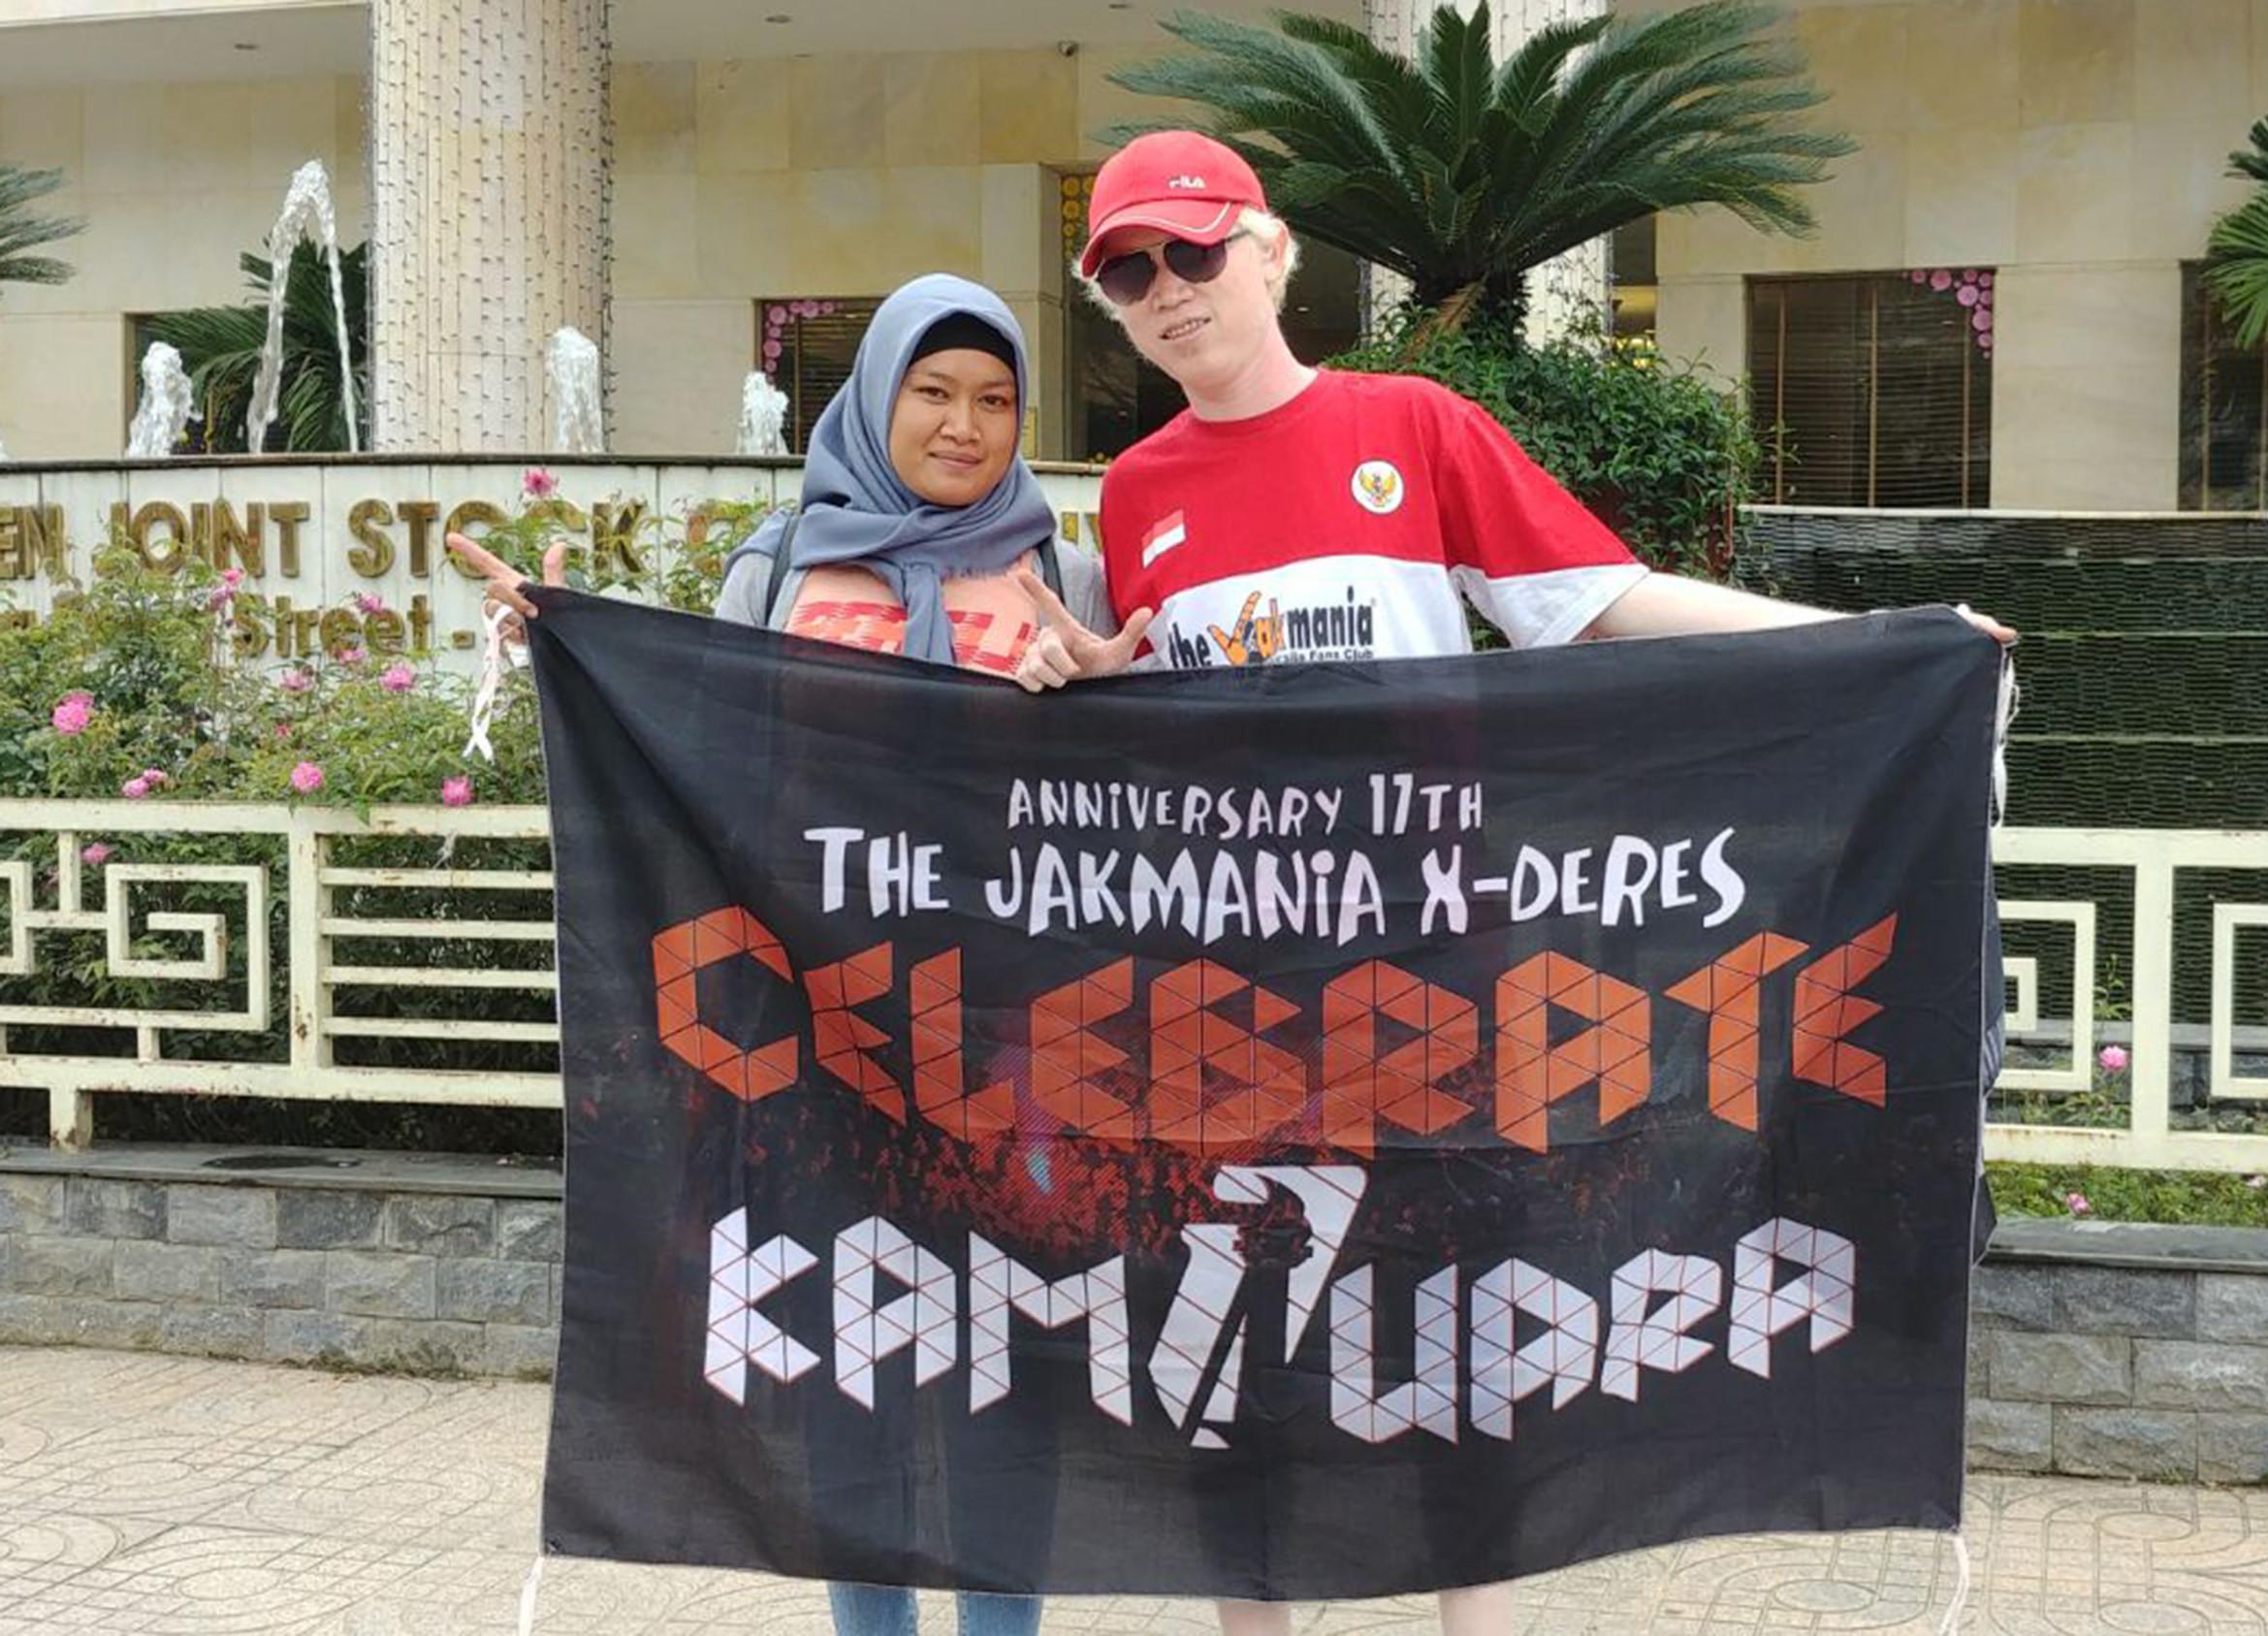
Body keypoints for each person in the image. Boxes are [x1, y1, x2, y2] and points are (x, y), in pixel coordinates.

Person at [1023, 130, 2019, 1636]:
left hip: (1435, 969)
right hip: (1228, 991)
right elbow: (1154, 723)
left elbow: (1600, 603)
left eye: (1193, 252)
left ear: (1273, 250)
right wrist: (1092, 678)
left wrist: (1877, 637)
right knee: (1234, 1341)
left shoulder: (1412, 427)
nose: (1168, 291)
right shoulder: (1135, 498)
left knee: (1452, 1323)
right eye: (1130, 273)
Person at [450, 273, 1139, 1636]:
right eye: (932, 392)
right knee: (857, 1361)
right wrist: (576, 643)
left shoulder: (1064, 569)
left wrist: (1106, 691)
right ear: (875, 399)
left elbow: (1125, 793)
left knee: (1012, 1359)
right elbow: (707, 737)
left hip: (1021, 1042)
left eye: (995, 399)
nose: (963, 425)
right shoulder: (781, 563)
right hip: (824, 1035)